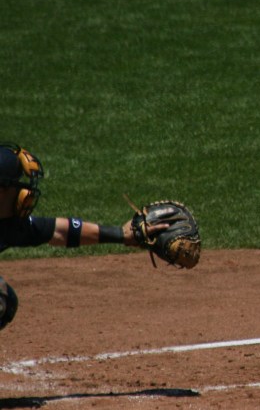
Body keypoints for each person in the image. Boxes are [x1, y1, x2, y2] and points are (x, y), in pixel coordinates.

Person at [0, 142, 165, 331]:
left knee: (6, 301)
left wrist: (123, 235)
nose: (26, 194)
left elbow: (59, 230)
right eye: (19, 186)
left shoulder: (8, 223)